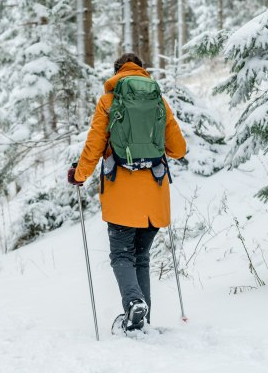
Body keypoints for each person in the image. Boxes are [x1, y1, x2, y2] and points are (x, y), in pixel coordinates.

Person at [67, 52, 186, 333]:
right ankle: (141, 320)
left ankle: (134, 304)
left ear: (117, 72)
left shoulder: (108, 101)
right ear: (142, 71)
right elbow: (179, 149)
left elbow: (94, 145)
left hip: (121, 194)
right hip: (154, 195)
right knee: (141, 257)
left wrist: (79, 175)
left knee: (122, 255)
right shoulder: (159, 101)